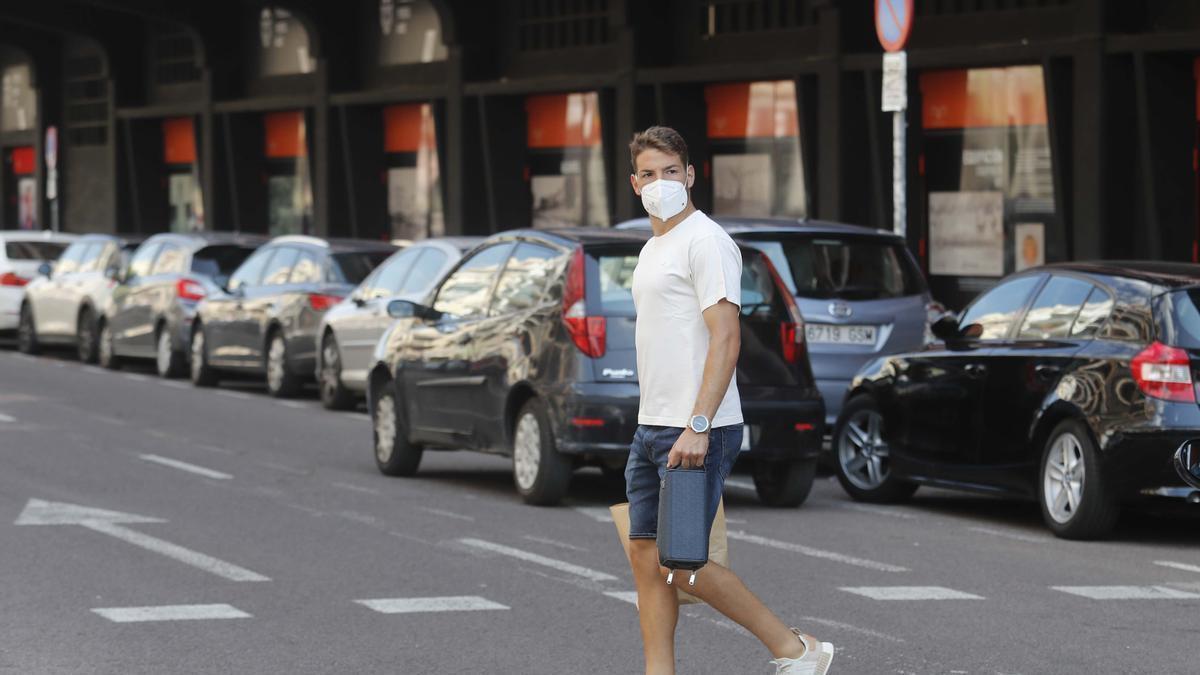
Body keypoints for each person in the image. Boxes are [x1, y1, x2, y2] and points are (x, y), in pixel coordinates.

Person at [624, 126, 835, 675]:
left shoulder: (706, 241)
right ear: (634, 183)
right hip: (653, 424)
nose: (661, 182)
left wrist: (698, 423)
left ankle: (796, 650)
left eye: (671, 171)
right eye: (649, 173)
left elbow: (726, 336)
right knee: (646, 559)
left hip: (697, 427)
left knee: (684, 560)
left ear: (691, 176)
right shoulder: (652, 248)